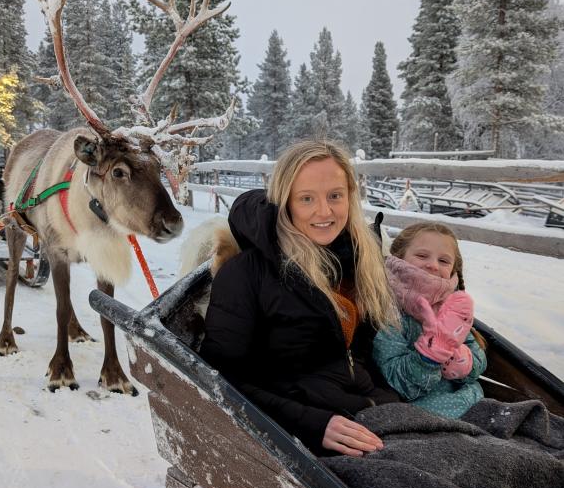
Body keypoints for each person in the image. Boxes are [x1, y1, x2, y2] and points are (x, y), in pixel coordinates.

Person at [200, 140, 400, 457]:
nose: (325, 211)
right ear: (285, 203)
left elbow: (360, 355)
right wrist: (312, 425)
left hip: (371, 411)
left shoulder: (359, 262)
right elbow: (219, 380)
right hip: (301, 439)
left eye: (335, 195)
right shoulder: (247, 274)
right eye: (306, 199)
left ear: (350, 195)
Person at [373, 222, 487, 418]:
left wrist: (464, 362)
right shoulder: (390, 309)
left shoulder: (451, 306)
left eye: (443, 261)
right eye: (422, 256)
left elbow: (478, 358)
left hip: (474, 404)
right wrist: (428, 358)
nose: (433, 265)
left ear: (453, 270)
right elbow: (395, 381)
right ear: (399, 257)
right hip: (423, 415)